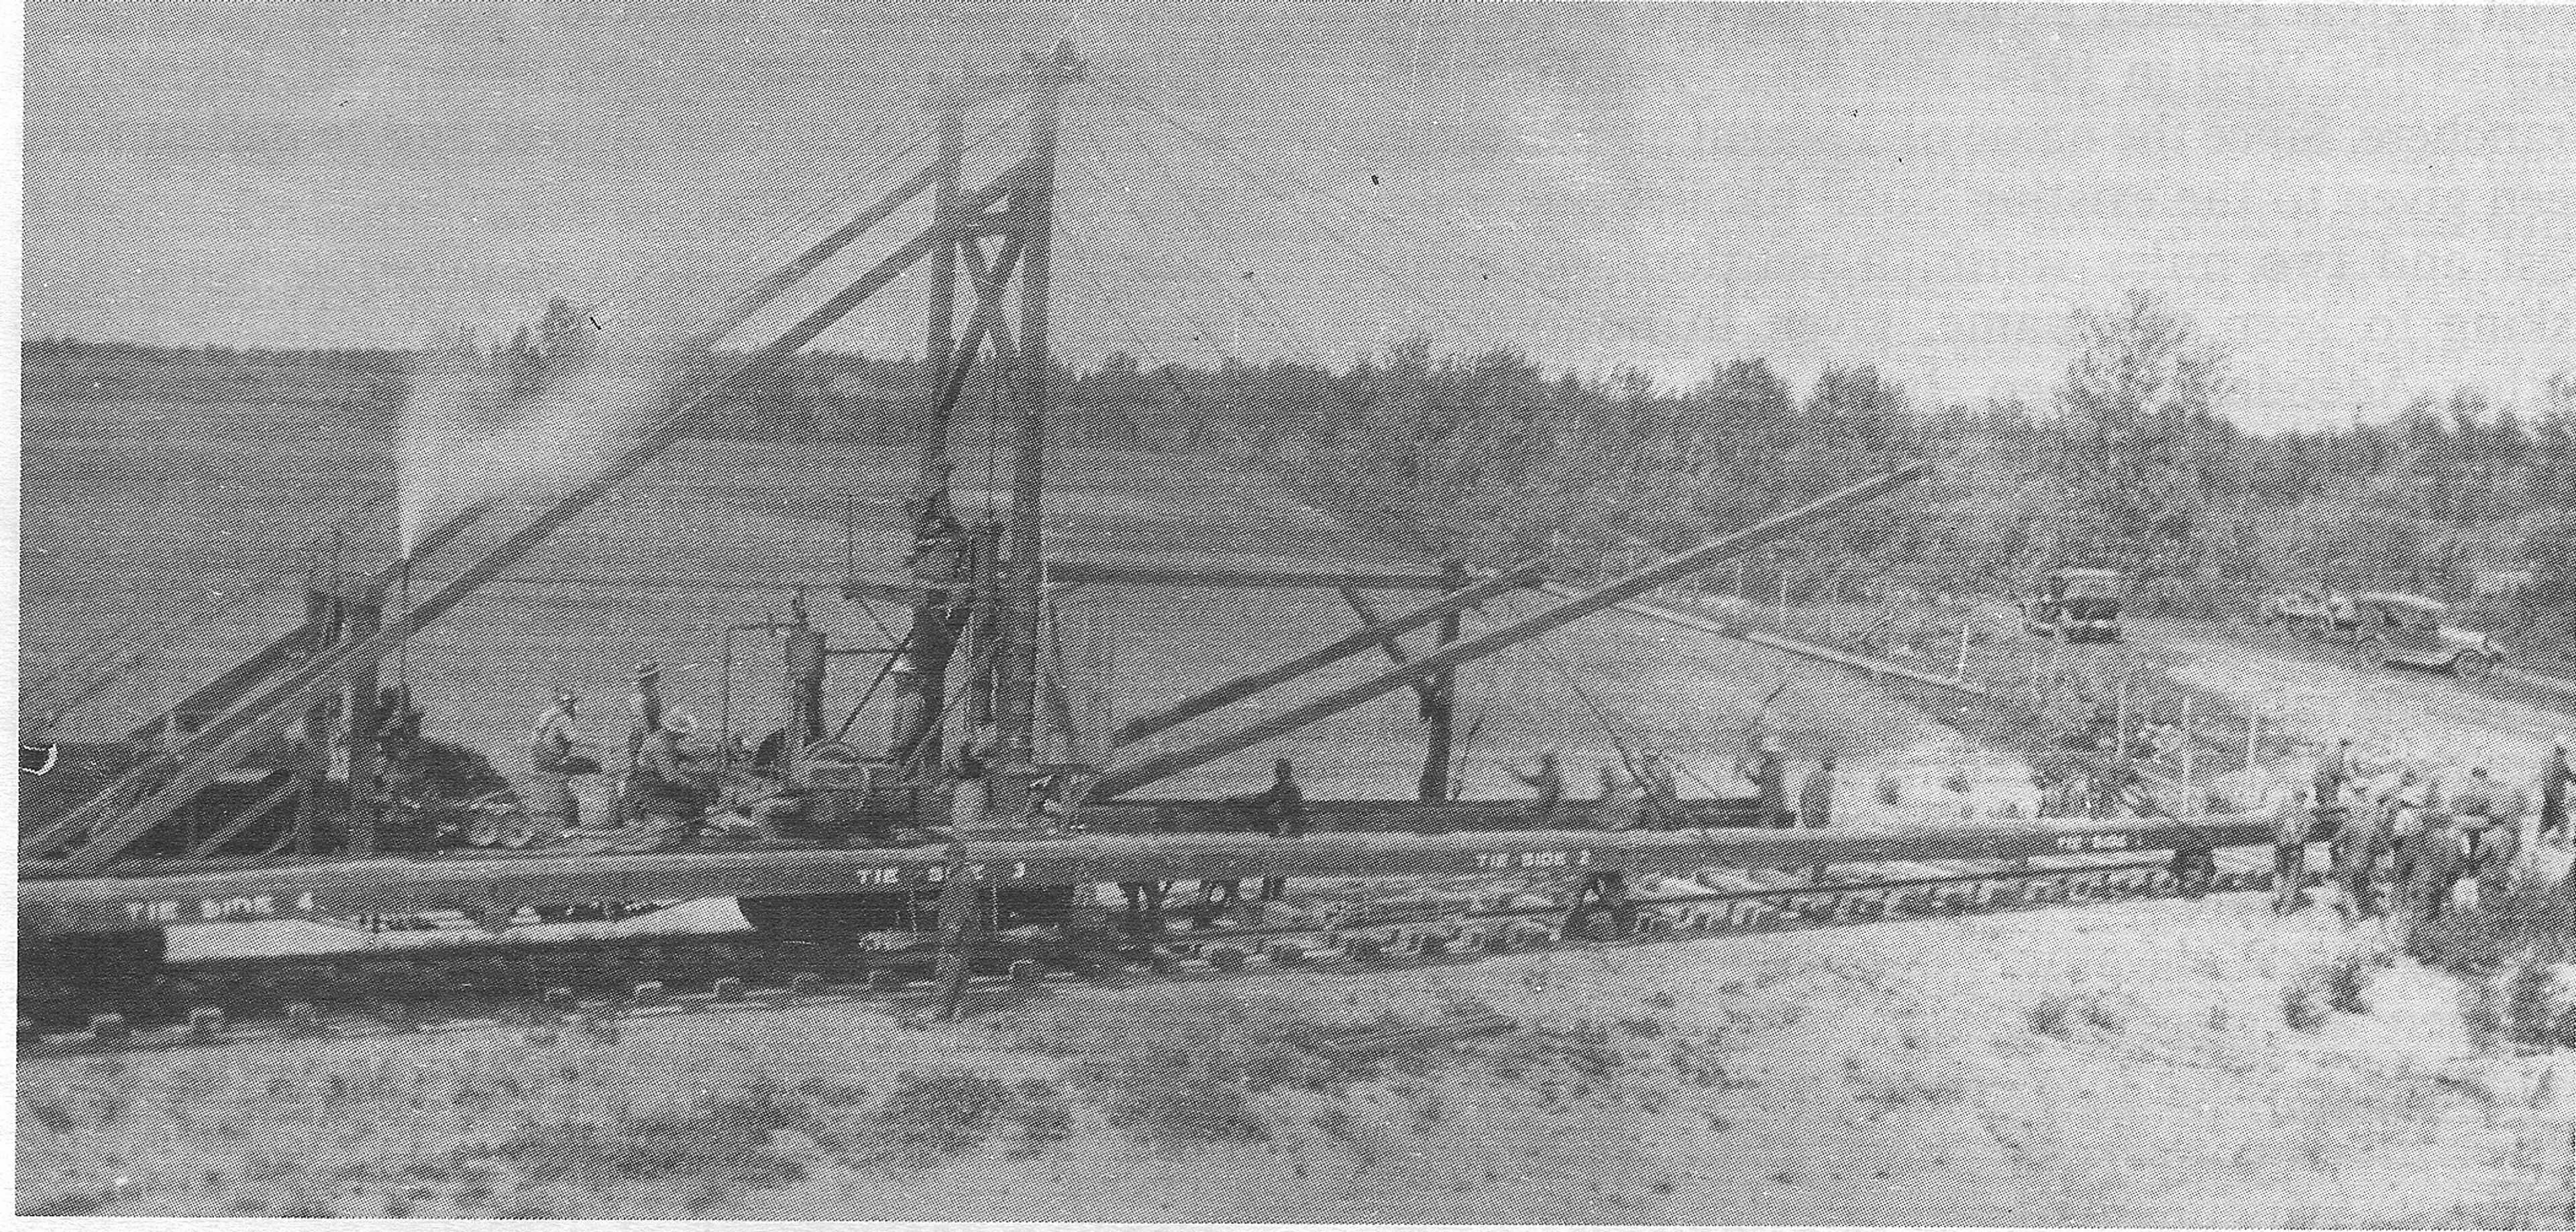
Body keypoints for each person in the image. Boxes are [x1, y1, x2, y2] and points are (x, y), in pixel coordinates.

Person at [527, 690, 600, 834]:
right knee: (592, 766)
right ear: (568, 705)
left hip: (539, 760)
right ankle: (585, 814)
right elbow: (577, 739)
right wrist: (599, 744)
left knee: (578, 764)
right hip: (552, 762)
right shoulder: (563, 719)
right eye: (573, 704)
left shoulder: (547, 714)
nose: (576, 708)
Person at [1250, 758, 1307, 901]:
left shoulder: (1289, 789)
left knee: (1276, 866)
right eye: (1278, 771)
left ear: (1286, 772)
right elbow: (1264, 800)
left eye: (1281, 771)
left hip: (1285, 832)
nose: (1278, 773)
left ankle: (1271, 898)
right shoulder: (1282, 788)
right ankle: (1272, 898)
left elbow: (1291, 811)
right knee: (1275, 867)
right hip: (1283, 831)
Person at [1511, 751, 1566, 824]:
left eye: (1544, 763)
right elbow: (1531, 780)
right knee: (1524, 808)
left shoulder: (1549, 776)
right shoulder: (1553, 776)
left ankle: (1535, 823)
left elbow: (1530, 780)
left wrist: (1517, 774)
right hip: (1548, 802)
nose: (1542, 765)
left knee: (1520, 807)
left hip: (1545, 803)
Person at [1593, 761, 1642, 831]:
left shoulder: (1618, 791)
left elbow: (1632, 786)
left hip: (1620, 820)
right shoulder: (1611, 794)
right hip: (1614, 821)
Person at [2541, 737, 2571, 842]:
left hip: (2547, 795)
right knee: (2563, 819)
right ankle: (2562, 841)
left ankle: (2539, 839)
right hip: (2556, 798)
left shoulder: (2547, 761)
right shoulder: (2561, 764)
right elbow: (2572, 778)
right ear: (2561, 752)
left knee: (2547, 817)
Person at [1639, 753, 1681, 826]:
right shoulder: (1647, 765)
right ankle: (1656, 823)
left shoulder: (1662, 764)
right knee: (1654, 805)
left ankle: (1671, 822)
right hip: (1659, 788)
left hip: (1665, 787)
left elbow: (1667, 775)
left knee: (1669, 805)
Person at [1798, 756, 1837, 829]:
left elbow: (1806, 789)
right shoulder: (1829, 778)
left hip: (1812, 807)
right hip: (1815, 806)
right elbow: (1826, 796)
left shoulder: (1815, 774)